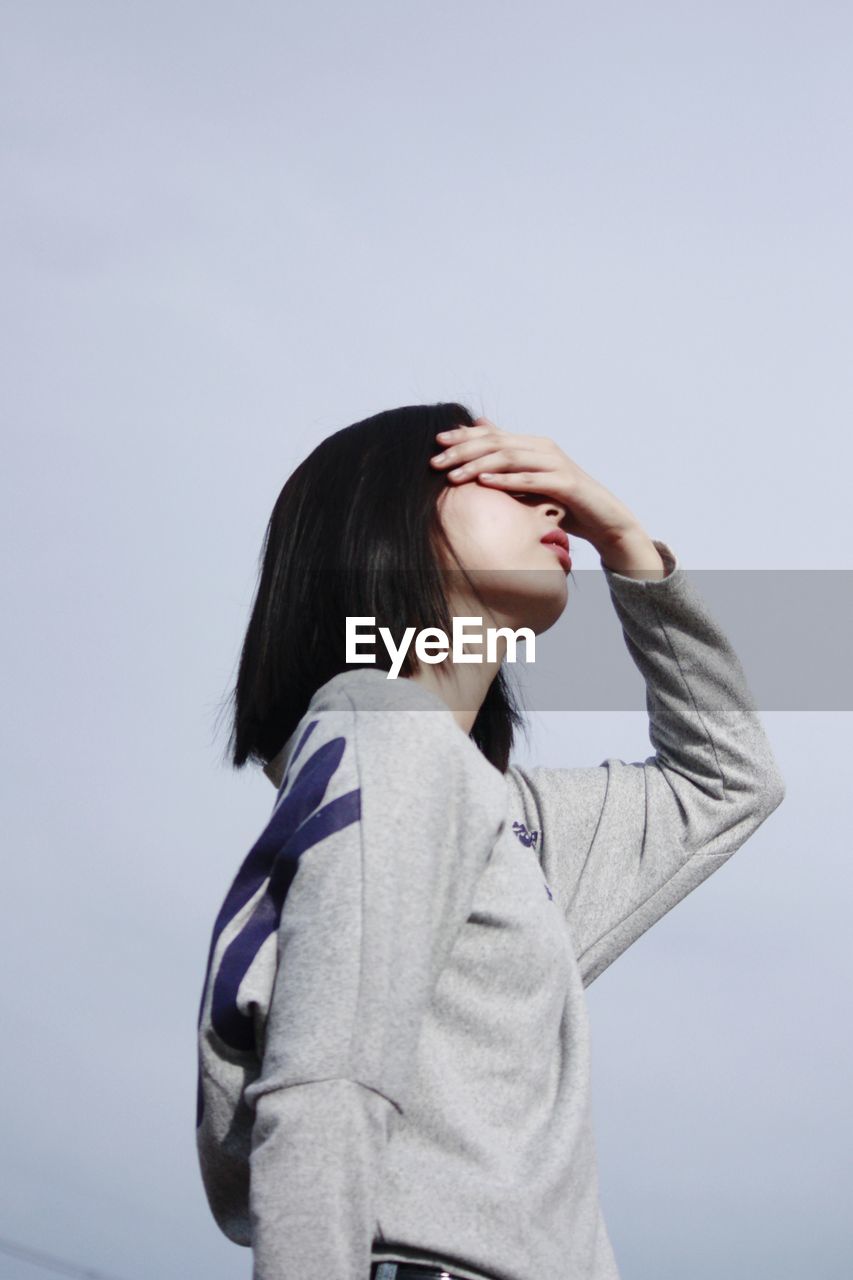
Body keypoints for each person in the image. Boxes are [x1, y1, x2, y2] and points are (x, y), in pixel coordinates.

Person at [194, 403, 786, 1280]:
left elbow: (726, 782)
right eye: (500, 477)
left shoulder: (498, 818)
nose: (552, 505)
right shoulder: (388, 738)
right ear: (386, 521)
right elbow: (325, 1087)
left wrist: (630, 547)